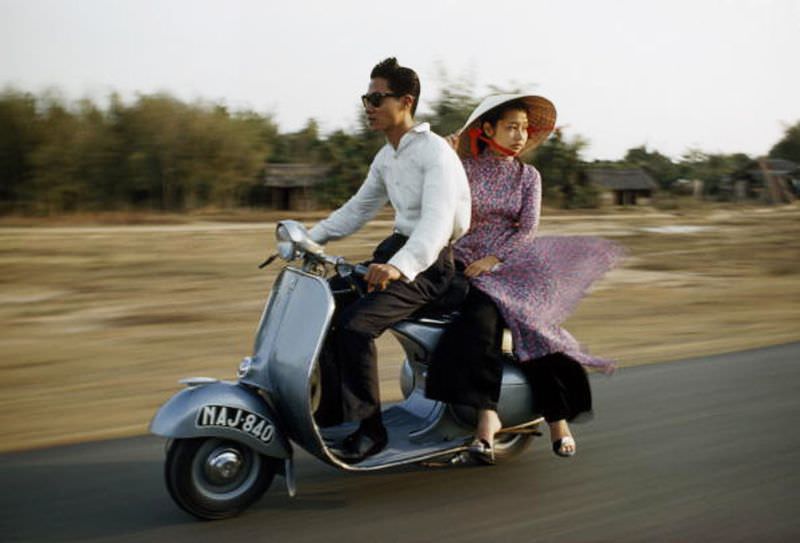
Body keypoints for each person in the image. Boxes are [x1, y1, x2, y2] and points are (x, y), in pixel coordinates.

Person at [425, 94, 624, 463]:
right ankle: (487, 416)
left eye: (523, 128)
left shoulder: (528, 177)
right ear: (487, 129)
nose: (520, 135)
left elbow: (527, 230)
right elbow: (435, 203)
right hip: (466, 264)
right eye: (510, 127)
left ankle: (557, 419)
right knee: (478, 321)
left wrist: (494, 259)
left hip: (513, 265)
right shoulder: (463, 170)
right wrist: (445, 157)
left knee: (533, 328)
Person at [308, 58, 471, 463]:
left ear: (406, 101)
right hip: (395, 251)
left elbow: (435, 224)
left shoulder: (435, 153)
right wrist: (307, 239)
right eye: (367, 97)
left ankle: (370, 431)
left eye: (377, 98)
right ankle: (333, 413)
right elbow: (357, 208)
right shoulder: (388, 156)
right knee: (324, 303)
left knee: (355, 327)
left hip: (428, 265)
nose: (368, 105)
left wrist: (401, 266)